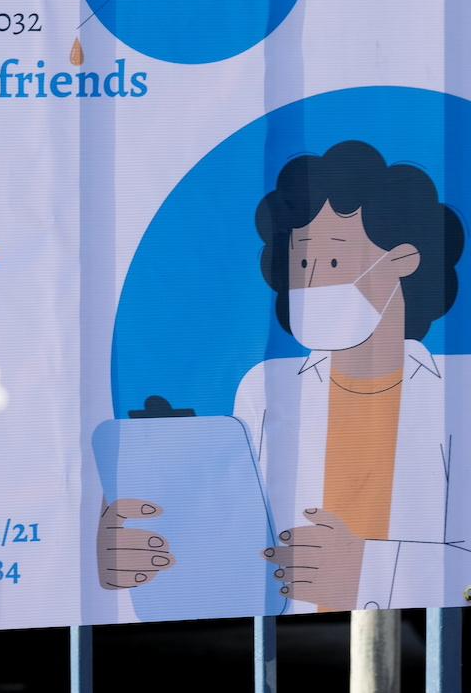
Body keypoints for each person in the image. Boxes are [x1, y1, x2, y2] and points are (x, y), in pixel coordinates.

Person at [101, 141, 469, 613]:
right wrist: (139, 555)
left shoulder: (459, 391)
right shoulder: (265, 386)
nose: (314, 281)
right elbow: (234, 541)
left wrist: (368, 571)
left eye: (334, 262)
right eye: (301, 263)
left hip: (428, 649)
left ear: (402, 260)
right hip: (287, 644)